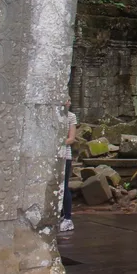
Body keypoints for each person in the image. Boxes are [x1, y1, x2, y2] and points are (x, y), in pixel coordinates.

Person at [59, 97, 77, 232]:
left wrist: (57, 143)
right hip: (52, 155)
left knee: (64, 186)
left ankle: (68, 218)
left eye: (70, 100)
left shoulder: (71, 116)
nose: (69, 103)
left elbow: (71, 139)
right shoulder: (53, 114)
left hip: (65, 155)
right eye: (67, 100)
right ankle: (58, 215)